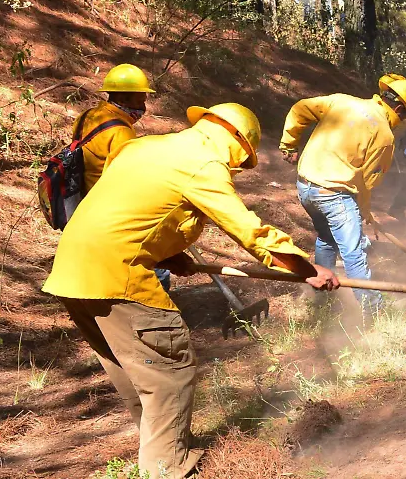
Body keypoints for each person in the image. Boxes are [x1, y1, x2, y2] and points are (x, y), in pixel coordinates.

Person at [42, 103, 339, 479]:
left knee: (136, 372)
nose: (236, 169)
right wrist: (308, 268)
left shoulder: (147, 147)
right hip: (117, 276)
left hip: (72, 272)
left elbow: (131, 212)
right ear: (235, 142)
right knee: (171, 369)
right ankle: (169, 468)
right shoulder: (203, 164)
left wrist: (169, 253)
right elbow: (248, 230)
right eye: (241, 162)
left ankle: (158, 454)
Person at [280, 78, 406, 309]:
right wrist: (364, 211)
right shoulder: (384, 136)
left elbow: (299, 109)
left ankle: (322, 302)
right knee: (353, 252)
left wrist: (288, 144)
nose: (403, 122)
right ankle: (373, 310)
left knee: (326, 239)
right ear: (399, 109)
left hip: (305, 187)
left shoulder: (342, 101)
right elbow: (368, 182)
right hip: (334, 194)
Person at [73, 63, 174, 292]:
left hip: (85, 202)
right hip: (109, 208)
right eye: (141, 99)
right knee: (153, 266)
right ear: (125, 97)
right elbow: (128, 180)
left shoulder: (87, 116)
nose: (144, 105)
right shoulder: (121, 131)